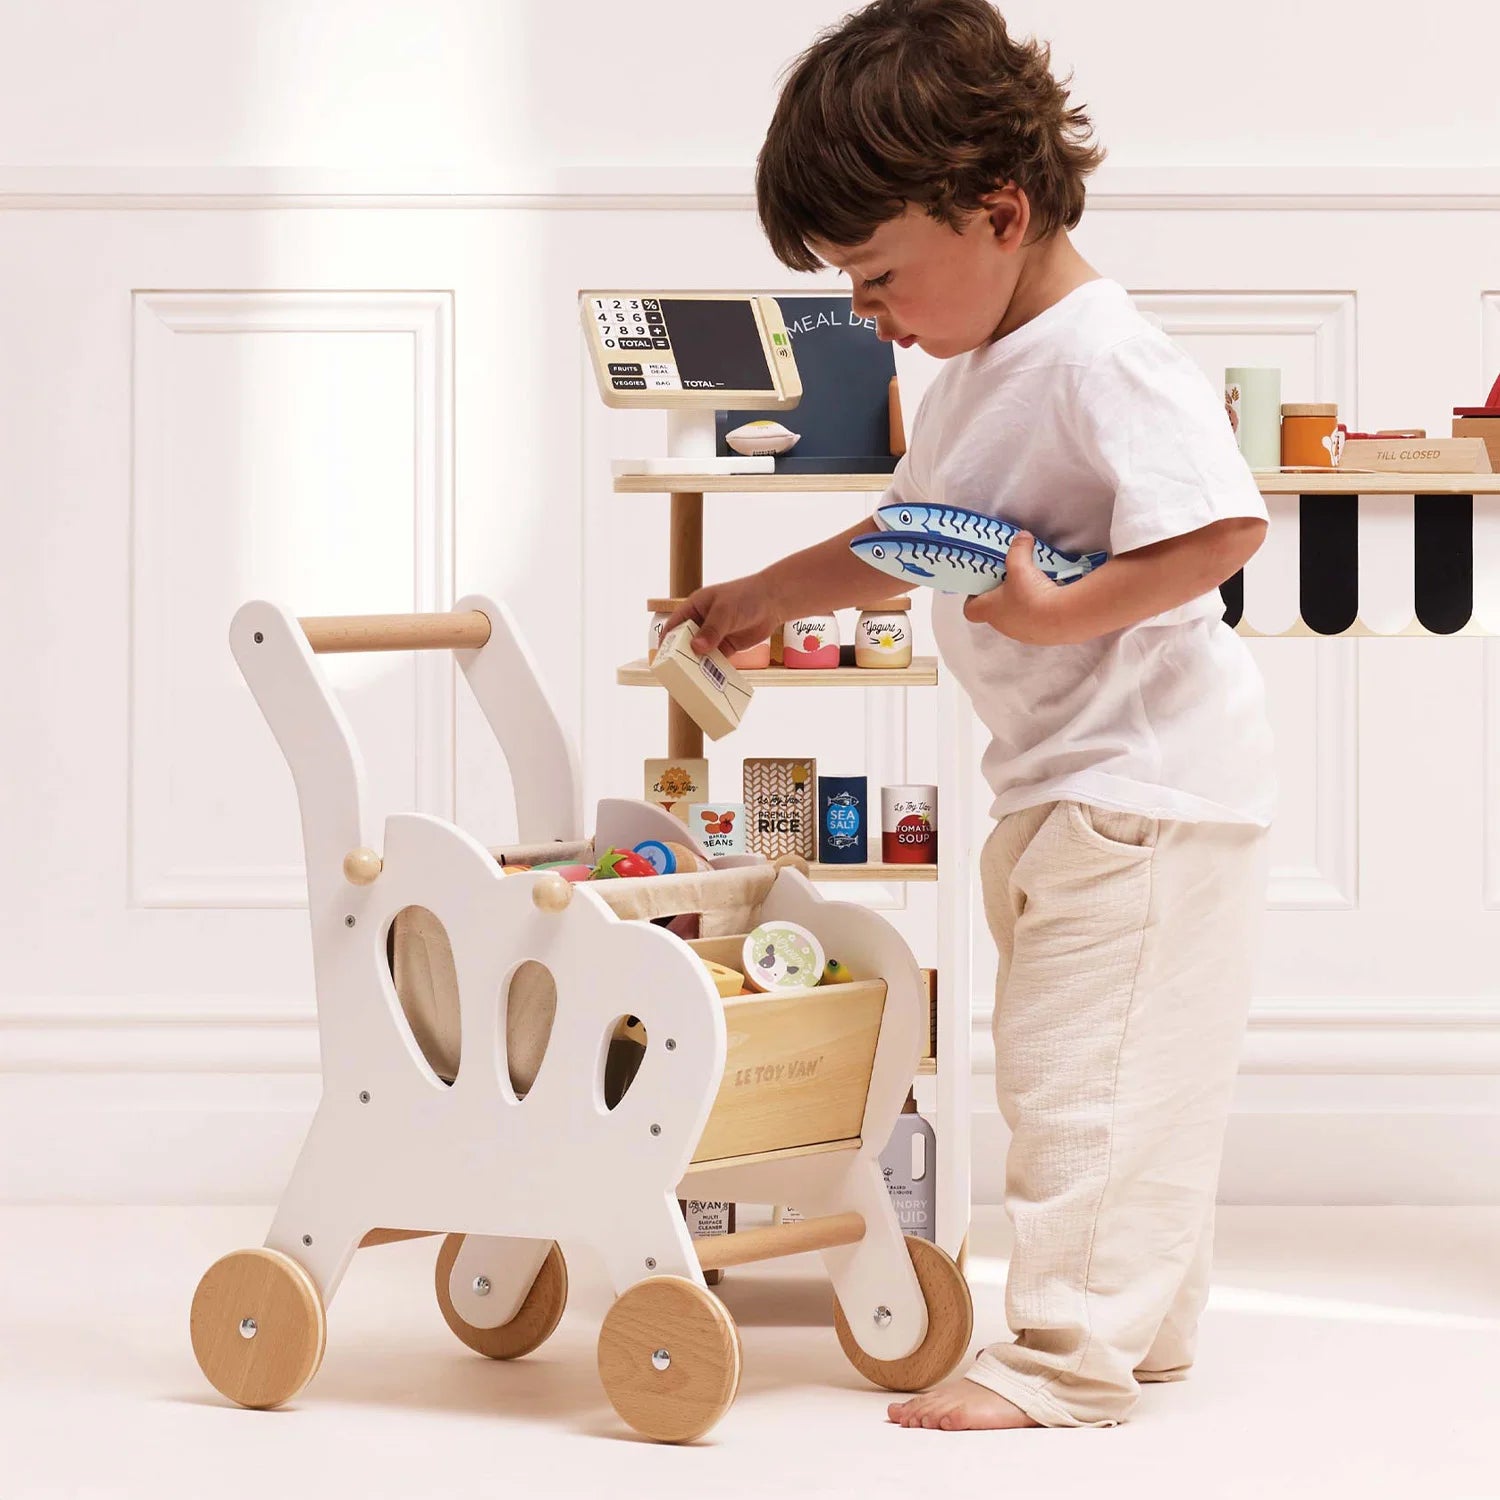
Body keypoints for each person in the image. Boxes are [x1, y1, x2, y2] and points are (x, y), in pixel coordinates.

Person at [664, 0, 1275, 1430]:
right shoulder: (985, 370)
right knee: (1128, 1070)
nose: (866, 314)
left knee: (1082, 1079)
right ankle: (1143, 1330)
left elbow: (1222, 528)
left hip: (1140, 785)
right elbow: (908, 537)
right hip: (1071, 783)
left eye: (878, 277)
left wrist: (1066, 614)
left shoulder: (1101, 357)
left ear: (999, 213)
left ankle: (1065, 1360)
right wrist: (763, 594)